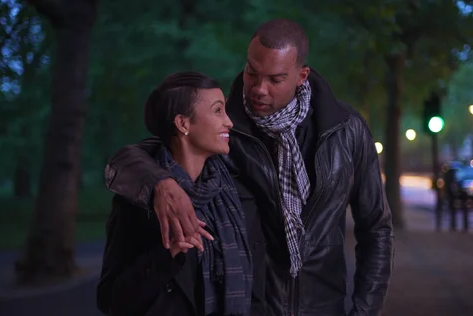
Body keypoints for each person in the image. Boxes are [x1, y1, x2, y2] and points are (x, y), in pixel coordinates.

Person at [104, 18, 394, 315]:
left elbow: (376, 228)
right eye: (252, 73)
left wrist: (365, 310)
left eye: (275, 79)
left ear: (301, 76)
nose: (258, 89)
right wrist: (160, 183)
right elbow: (134, 158)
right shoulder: (223, 127)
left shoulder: (346, 130)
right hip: (257, 304)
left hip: (323, 305)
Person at [97, 71, 254, 316]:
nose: (229, 122)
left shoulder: (234, 195)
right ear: (183, 124)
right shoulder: (138, 204)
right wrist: (167, 254)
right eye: (217, 111)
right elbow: (111, 301)